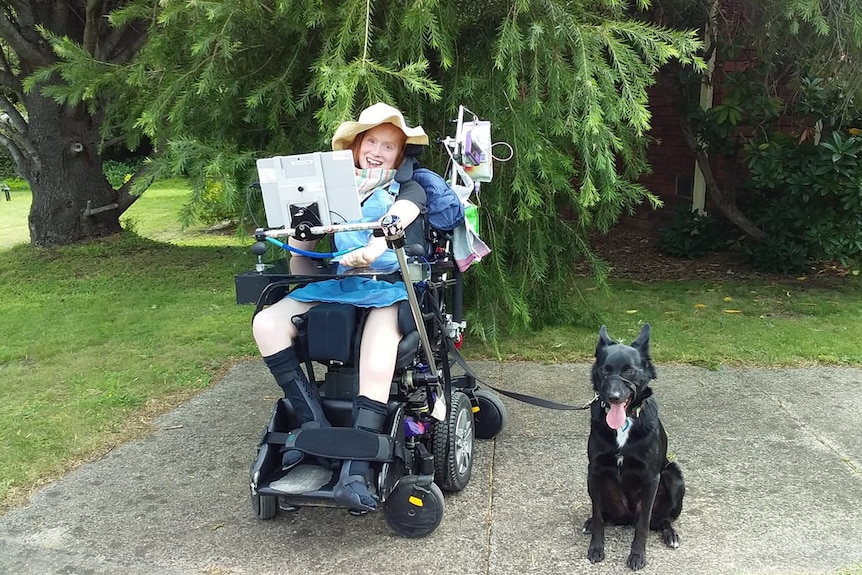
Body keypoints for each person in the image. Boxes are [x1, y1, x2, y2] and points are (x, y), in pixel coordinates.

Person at [252, 102, 429, 513]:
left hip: (385, 282)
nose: (378, 151)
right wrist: (299, 229)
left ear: (400, 155)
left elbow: (401, 218)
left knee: (379, 340)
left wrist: (374, 247)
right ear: (355, 146)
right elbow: (300, 257)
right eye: (372, 142)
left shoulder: (408, 188)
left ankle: (356, 465)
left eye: (389, 146)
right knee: (266, 323)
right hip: (338, 282)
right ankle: (313, 427)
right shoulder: (328, 191)